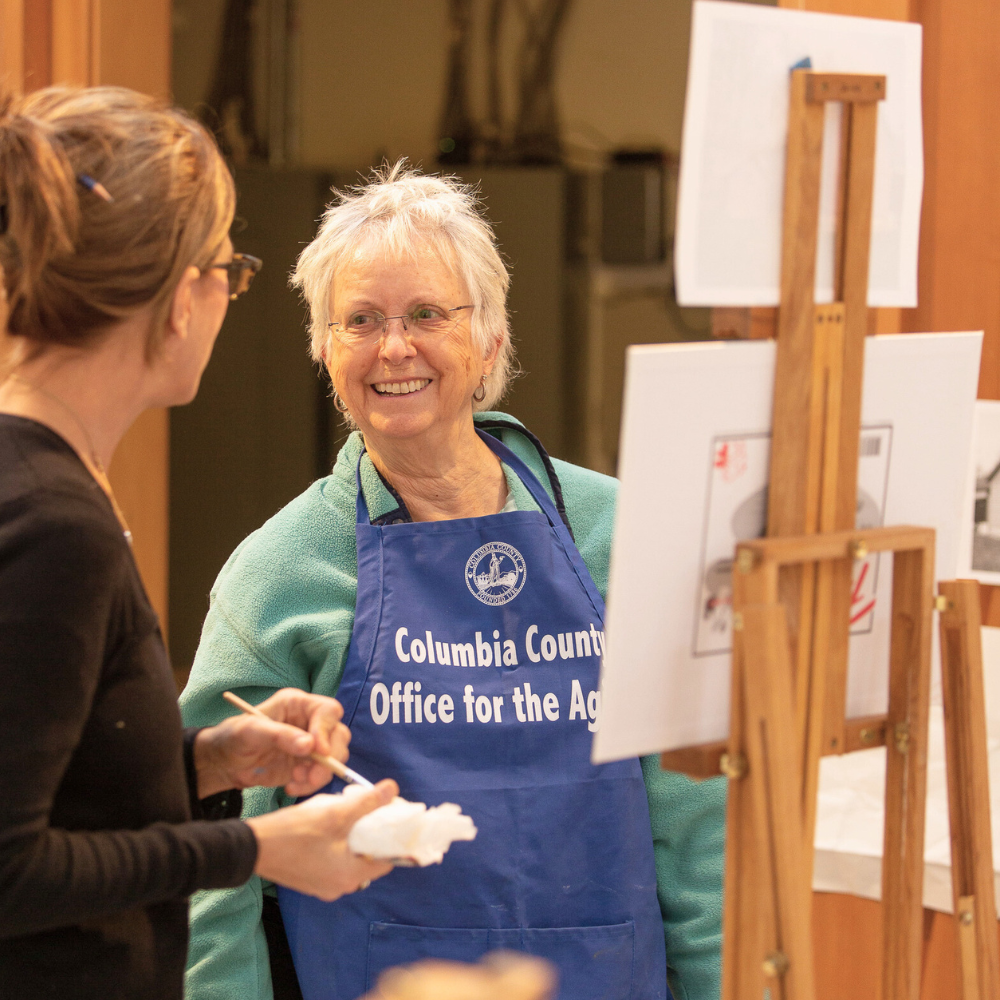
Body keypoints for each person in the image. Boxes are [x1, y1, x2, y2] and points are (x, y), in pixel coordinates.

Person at [181, 163, 727, 1000]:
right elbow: (210, 865)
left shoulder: (623, 533)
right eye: (360, 320)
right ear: (325, 352)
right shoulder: (278, 575)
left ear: (492, 341)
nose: (394, 346)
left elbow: (699, 830)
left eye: (427, 314)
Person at [0, 86, 398, 1000]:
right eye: (231, 267)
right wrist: (257, 845)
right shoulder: (50, 524)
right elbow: (11, 866)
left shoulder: (49, 486)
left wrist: (209, 762)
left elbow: (56, 793)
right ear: (182, 299)